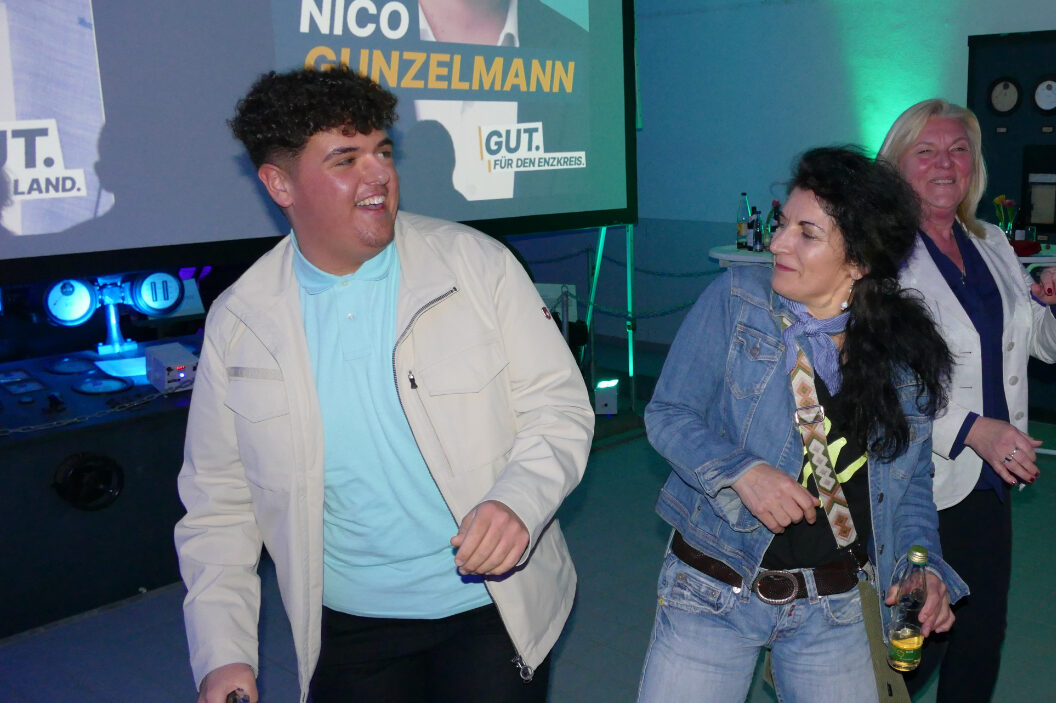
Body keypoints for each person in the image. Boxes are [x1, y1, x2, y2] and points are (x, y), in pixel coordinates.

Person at [174, 67, 594, 703]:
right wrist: (222, 652)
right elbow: (218, 504)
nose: (379, 175)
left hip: (490, 608)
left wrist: (518, 501)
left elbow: (559, 409)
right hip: (348, 626)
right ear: (280, 184)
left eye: (383, 152)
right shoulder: (243, 320)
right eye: (346, 159)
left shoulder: (476, 266)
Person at [636, 147, 968, 703]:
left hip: (835, 606)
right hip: (713, 589)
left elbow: (909, 485)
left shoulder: (904, 351)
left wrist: (922, 565)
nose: (777, 243)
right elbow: (668, 414)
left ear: (859, 262)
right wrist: (742, 472)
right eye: (782, 223)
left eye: (806, 233)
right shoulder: (737, 300)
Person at [878, 99, 1056, 702]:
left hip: (989, 481)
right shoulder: (877, 254)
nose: (945, 163)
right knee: (911, 644)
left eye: (959, 150)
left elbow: (1036, 340)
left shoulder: (991, 240)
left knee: (981, 634)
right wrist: (973, 429)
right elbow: (878, 379)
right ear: (897, 165)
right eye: (926, 151)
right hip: (916, 481)